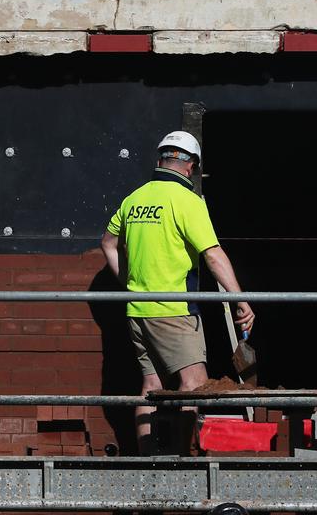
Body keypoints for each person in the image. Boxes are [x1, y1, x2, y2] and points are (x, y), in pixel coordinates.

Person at [101, 130, 255, 454]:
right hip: (174, 311)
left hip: (137, 311)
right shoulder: (187, 201)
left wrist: (128, 282)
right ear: (191, 167)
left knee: (151, 386)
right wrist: (240, 300)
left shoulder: (135, 199)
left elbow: (108, 243)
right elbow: (213, 254)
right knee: (194, 385)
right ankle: (185, 461)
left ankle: (146, 458)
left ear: (160, 160)